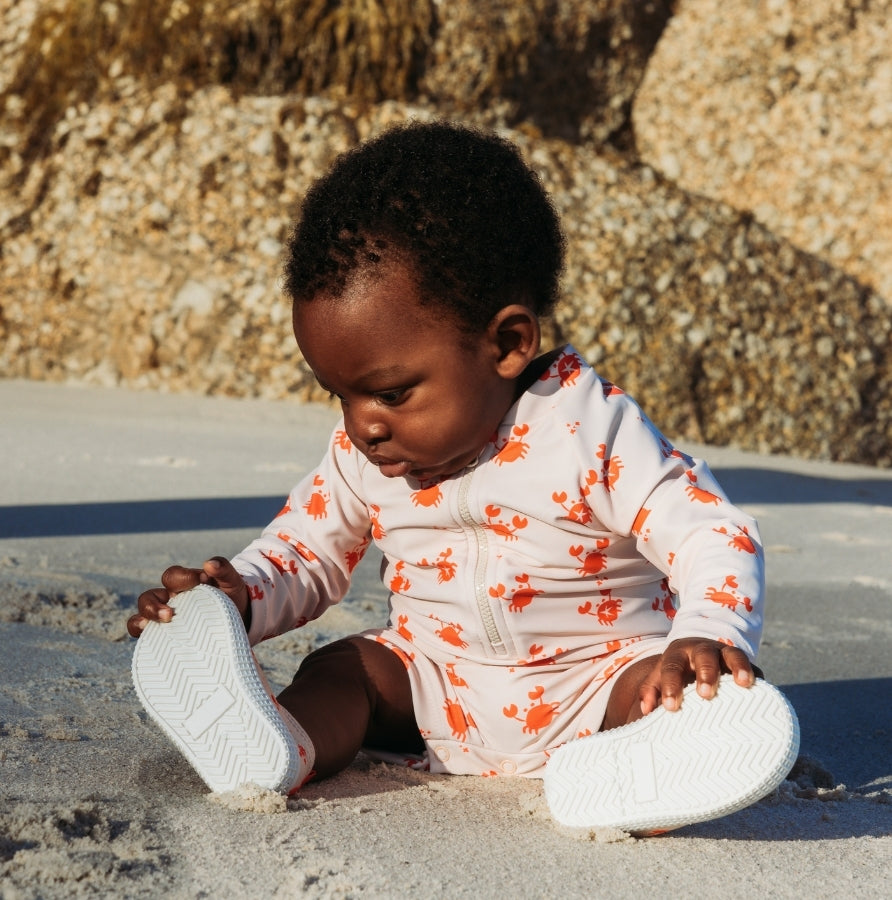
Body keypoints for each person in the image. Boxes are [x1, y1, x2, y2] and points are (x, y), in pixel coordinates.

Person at [128, 121, 798, 833]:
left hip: (596, 680)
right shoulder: (365, 456)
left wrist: (704, 633)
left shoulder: (588, 431)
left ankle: (639, 771)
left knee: (670, 696)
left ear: (507, 344)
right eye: (340, 395)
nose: (363, 425)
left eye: (389, 393)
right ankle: (274, 748)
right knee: (343, 671)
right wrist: (237, 598)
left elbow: (711, 533)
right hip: (433, 681)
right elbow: (304, 553)